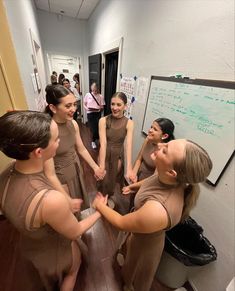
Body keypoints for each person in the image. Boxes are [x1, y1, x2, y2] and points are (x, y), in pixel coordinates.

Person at [0, 110, 107, 291]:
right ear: (38, 152)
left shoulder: (6, 174)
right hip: (55, 254)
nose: (59, 143)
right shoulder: (49, 200)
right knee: (73, 271)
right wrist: (99, 210)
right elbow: (75, 232)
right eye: (56, 140)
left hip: (31, 248)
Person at [93, 139, 212, 291]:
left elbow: (121, 222)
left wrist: (99, 205)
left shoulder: (157, 210)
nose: (160, 145)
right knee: (127, 257)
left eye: (165, 150)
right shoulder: (166, 176)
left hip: (144, 246)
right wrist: (133, 187)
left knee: (136, 275)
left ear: (172, 172)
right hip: (138, 233)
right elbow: (152, 181)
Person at [44, 85, 105, 209]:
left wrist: (96, 168)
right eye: (67, 106)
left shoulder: (73, 124)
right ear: (53, 108)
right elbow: (49, 173)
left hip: (76, 168)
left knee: (78, 204)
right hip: (60, 177)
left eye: (74, 104)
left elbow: (81, 148)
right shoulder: (48, 130)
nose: (73, 109)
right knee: (67, 209)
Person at [97, 92, 135, 206]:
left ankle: (108, 196)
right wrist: (102, 164)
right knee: (103, 178)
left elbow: (128, 145)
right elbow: (103, 143)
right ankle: (102, 197)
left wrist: (129, 168)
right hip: (104, 152)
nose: (115, 108)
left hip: (118, 154)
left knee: (112, 179)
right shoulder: (103, 120)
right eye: (112, 104)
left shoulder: (129, 123)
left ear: (125, 106)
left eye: (119, 104)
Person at [132, 118, 175, 182]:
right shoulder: (148, 139)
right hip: (139, 174)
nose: (150, 130)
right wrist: (133, 174)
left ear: (165, 136)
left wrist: (132, 187)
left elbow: (154, 178)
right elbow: (139, 159)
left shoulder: (164, 152)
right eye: (151, 127)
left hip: (148, 182)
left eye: (155, 129)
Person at [84, 83, 105, 149]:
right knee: (93, 129)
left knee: (98, 128)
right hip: (90, 113)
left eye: (96, 90)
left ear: (98, 89)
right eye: (93, 90)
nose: (94, 92)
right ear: (91, 89)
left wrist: (100, 109)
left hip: (97, 113)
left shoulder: (100, 96)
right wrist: (87, 108)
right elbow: (84, 104)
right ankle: (93, 141)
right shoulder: (88, 95)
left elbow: (102, 106)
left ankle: (97, 139)